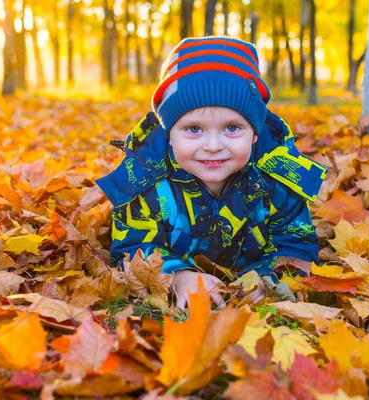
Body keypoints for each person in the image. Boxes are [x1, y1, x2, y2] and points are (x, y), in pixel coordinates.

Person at [96, 36, 327, 309]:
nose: (213, 146)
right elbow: (132, 247)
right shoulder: (147, 181)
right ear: (169, 135)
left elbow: (296, 242)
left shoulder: (276, 180)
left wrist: (271, 279)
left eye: (232, 128)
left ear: (255, 133)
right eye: (194, 129)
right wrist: (178, 277)